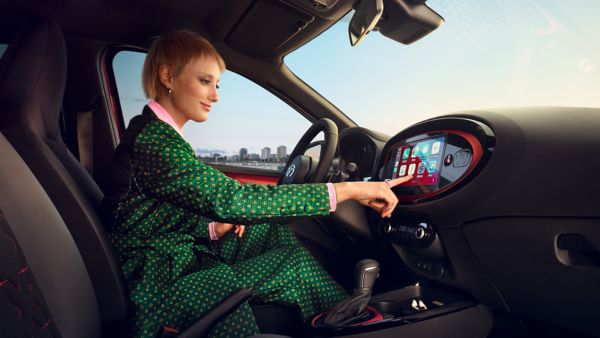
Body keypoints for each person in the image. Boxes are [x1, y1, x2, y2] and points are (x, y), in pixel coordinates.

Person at [103, 30, 411, 338]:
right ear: (168, 76)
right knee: (293, 266)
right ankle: (363, 326)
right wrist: (351, 189)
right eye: (205, 81)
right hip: (157, 284)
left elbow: (154, 215)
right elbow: (231, 199)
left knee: (271, 229)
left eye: (217, 84)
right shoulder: (154, 140)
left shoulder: (159, 135)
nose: (215, 96)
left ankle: (330, 314)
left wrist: (214, 226)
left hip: (168, 258)